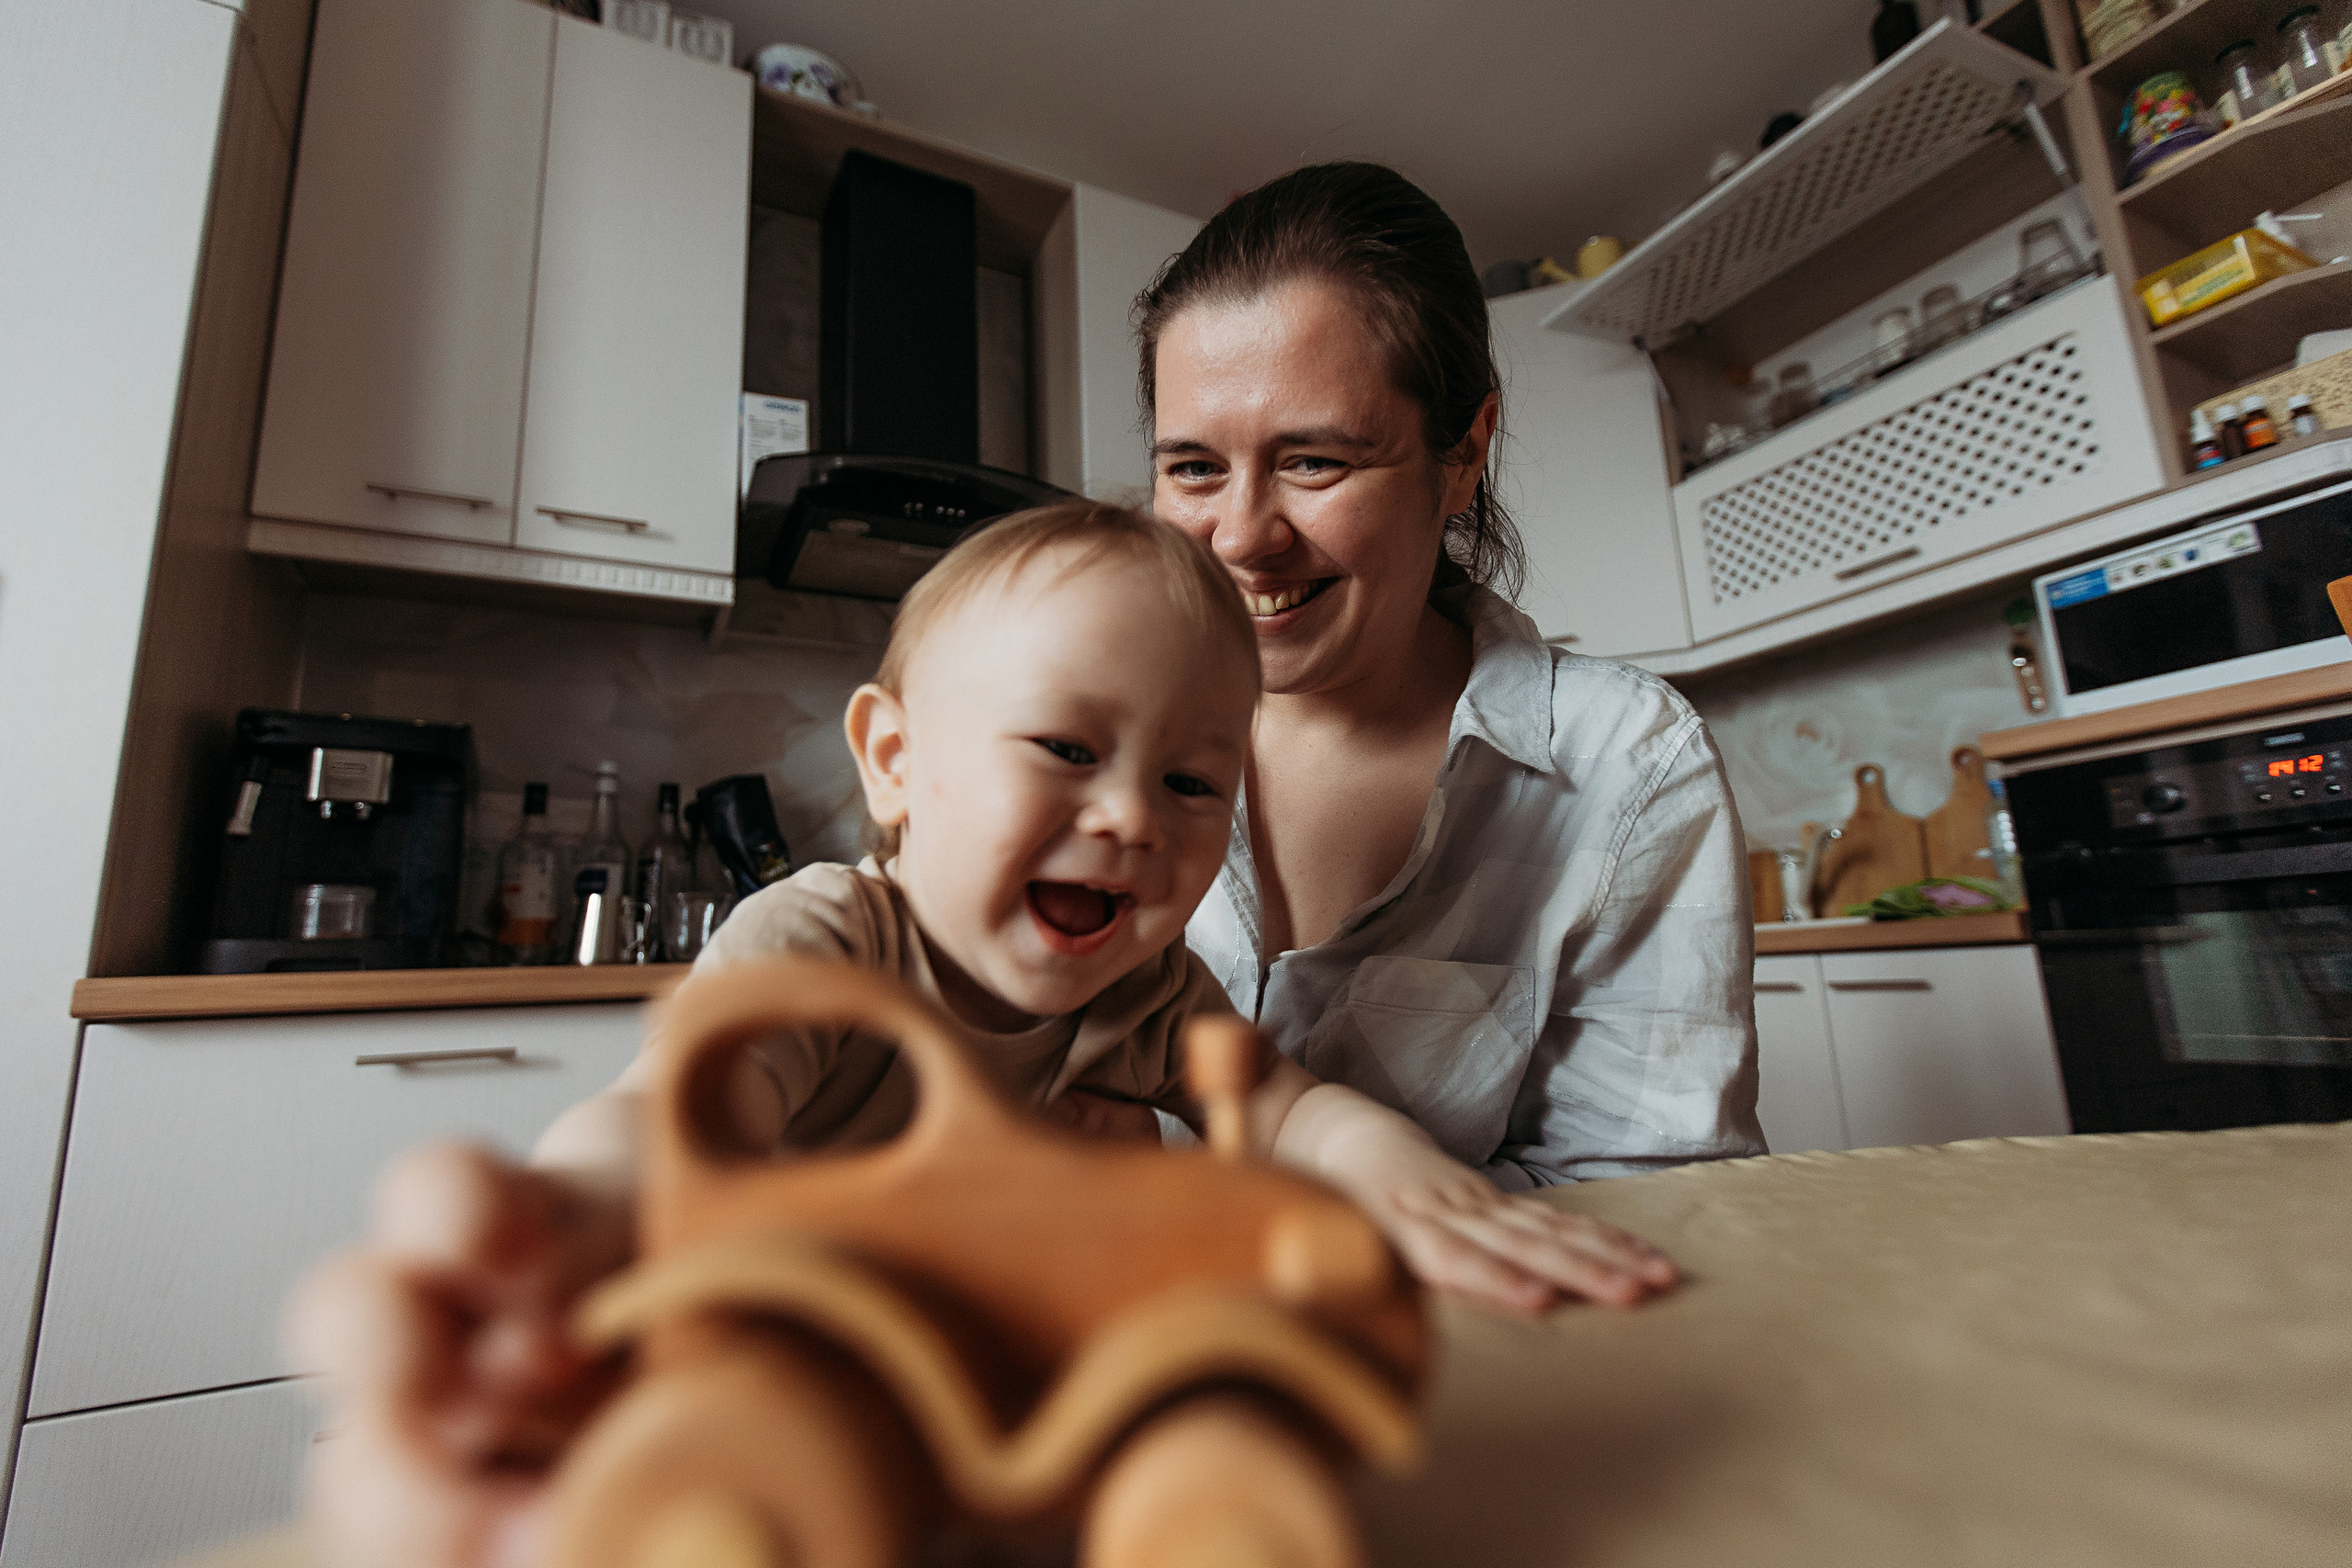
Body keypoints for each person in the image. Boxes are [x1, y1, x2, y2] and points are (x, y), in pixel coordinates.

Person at [289, 502, 1675, 1568]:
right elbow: (678, 1111)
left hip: (1012, 1366)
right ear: (894, 762)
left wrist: (1401, 1174)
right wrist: (571, 1211)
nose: (1134, 815)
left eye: (1193, 780)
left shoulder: (1142, 993)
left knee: (1214, 1393)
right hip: (809, 1344)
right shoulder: (829, 936)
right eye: (1068, 750)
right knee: (763, 1452)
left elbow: (1288, 1100)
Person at [1135, 162, 1764, 1189]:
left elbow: (1660, 1199)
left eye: (1313, 461)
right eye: (1195, 467)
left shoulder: (1625, 764)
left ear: (1463, 454)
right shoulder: (1089, 724)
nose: (1243, 536)